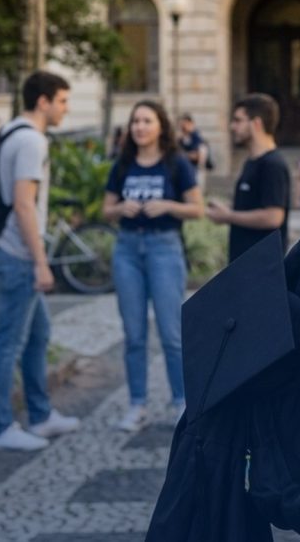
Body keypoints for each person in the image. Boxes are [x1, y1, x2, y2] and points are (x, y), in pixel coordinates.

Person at [0, 71, 80, 451]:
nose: (65, 109)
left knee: (37, 336)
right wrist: (40, 262)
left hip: (9, 252)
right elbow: (24, 204)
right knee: (8, 343)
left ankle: (40, 415)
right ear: (43, 101)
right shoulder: (30, 142)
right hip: (17, 256)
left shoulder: (11, 133)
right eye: (62, 101)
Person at [104, 101, 204, 432]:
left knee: (172, 333)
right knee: (133, 335)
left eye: (147, 121)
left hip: (164, 247)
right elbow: (106, 210)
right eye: (135, 121)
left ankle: (181, 403)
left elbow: (197, 209)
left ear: (160, 126)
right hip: (127, 250)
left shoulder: (176, 164)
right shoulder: (122, 164)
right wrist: (121, 208)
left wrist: (168, 205)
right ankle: (137, 405)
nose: (140, 127)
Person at [205, 94, 289, 263]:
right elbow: (254, 205)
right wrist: (227, 208)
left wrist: (228, 216)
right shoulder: (251, 162)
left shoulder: (273, 164)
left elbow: (273, 216)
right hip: (244, 264)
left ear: (256, 124)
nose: (232, 126)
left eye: (238, 120)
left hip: (262, 266)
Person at [178, 114, 210, 187]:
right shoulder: (182, 139)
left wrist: (185, 155)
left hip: (195, 170)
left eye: (184, 124)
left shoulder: (197, 138)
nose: (182, 127)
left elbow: (198, 155)